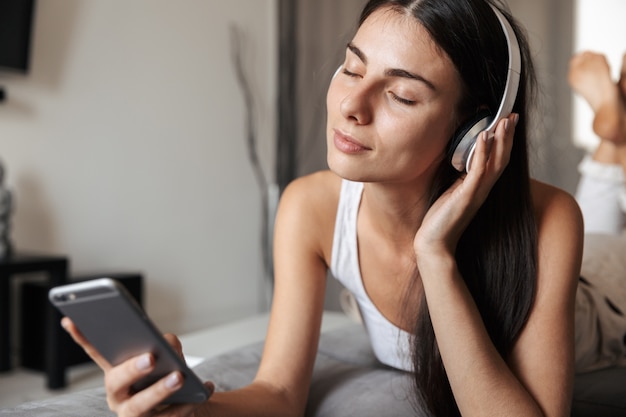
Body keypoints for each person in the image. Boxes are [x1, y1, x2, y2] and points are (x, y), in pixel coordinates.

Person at [64, 0, 584, 416]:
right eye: (351, 68)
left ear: (475, 132)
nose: (351, 106)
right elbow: (280, 395)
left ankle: (610, 144)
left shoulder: (550, 222)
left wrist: (434, 251)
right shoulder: (309, 207)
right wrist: (193, 407)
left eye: (401, 95)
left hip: (600, 301)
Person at [568, 50, 626, 372]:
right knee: (587, 236)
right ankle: (616, 130)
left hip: (600, 292)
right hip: (585, 253)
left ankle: (616, 127)